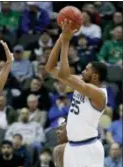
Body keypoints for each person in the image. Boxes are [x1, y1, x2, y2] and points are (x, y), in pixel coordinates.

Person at [45, 19, 108, 167]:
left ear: (95, 76)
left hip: (89, 148)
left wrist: (66, 42)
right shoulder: (82, 83)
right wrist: (61, 38)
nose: (82, 71)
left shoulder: (98, 93)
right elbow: (50, 68)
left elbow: (65, 75)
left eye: (86, 69)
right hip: (73, 146)